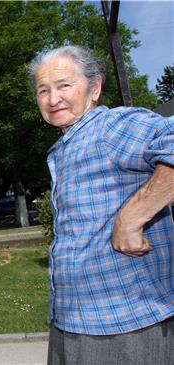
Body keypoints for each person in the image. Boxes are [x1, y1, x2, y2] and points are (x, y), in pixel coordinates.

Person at [28, 45, 173, 364]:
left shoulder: (111, 127)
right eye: (43, 90)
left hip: (123, 326)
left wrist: (133, 217)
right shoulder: (65, 147)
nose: (53, 99)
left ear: (95, 88)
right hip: (73, 323)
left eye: (64, 85)